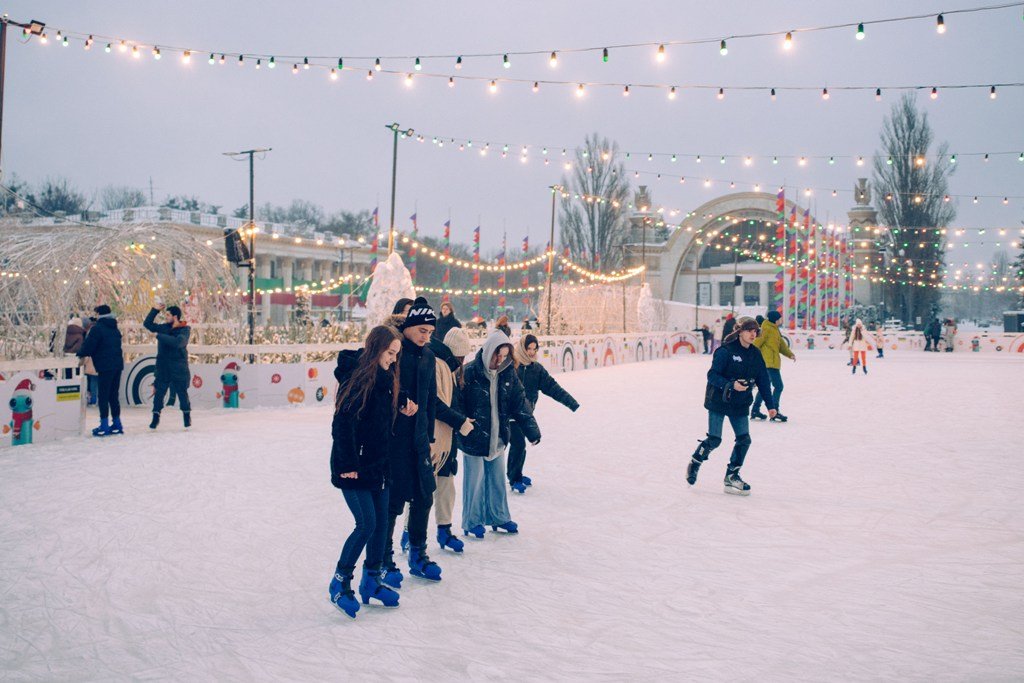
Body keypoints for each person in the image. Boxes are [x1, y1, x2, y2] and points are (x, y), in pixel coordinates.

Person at [328, 325, 404, 618]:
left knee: (381, 524)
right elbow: (342, 425)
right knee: (366, 524)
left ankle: (371, 581)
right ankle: (339, 581)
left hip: (379, 467)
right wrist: (348, 465)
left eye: (396, 354)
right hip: (355, 468)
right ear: (376, 349)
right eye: (389, 353)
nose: (393, 359)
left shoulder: (385, 380)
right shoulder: (358, 379)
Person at [383, 297, 443, 587]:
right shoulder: (394, 351)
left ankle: (418, 553)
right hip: (394, 439)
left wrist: (429, 435)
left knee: (424, 495)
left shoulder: (429, 356)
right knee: (393, 501)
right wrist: (401, 398)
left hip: (419, 438)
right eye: (421, 330)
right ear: (407, 327)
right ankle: (383, 559)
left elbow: (430, 398)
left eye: (430, 332)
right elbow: (383, 386)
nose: (425, 336)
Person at [459, 330, 540, 538]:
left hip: (498, 436)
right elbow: (456, 403)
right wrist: (463, 425)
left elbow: (519, 402)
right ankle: (472, 521)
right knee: (474, 482)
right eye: (498, 355)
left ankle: (499, 517)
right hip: (474, 438)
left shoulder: (507, 374)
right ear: (488, 352)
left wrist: (532, 431)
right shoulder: (470, 373)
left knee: (496, 479)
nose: (500, 360)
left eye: (504, 356)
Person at [687, 316, 776, 495]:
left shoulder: (755, 354)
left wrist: (771, 405)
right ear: (740, 332)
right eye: (749, 331)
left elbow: (764, 380)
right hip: (719, 401)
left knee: (744, 439)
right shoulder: (725, 351)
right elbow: (712, 375)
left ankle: (732, 475)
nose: (753, 334)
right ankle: (696, 460)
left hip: (740, 402)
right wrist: (730, 384)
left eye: (755, 331)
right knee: (715, 440)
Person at [508, 334, 578, 493]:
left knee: (519, 446)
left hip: (526, 415)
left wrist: (571, 403)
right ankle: (514, 478)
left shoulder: (536, 369)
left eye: (534, 349)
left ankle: (516, 473)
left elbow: (553, 388)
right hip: (510, 414)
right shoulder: (512, 365)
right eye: (529, 348)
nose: (532, 352)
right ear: (522, 348)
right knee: (518, 444)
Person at [430, 327, 475, 553]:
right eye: (462, 356)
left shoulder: (451, 369)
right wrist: (461, 422)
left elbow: (453, 403)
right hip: (432, 440)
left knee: (447, 487)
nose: (463, 360)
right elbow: (437, 405)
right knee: (423, 490)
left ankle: (444, 530)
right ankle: (410, 534)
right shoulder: (438, 366)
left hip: (448, 441)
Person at [77, 304, 124, 436]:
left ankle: (104, 425)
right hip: (117, 365)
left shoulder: (97, 329)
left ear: (99, 315)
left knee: (103, 395)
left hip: (105, 366)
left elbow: (89, 346)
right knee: (113, 396)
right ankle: (117, 423)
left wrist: (80, 353)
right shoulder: (115, 328)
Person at [143, 304, 192, 429]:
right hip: (163, 366)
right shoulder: (164, 327)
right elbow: (147, 324)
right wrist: (155, 310)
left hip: (178, 367)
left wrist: (158, 336)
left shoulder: (184, 330)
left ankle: (186, 415)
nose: (166, 317)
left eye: (168, 315)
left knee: (182, 393)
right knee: (159, 393)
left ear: (175, 317)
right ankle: (155, 416)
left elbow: (177, 343)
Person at [751, 310, 795, 422]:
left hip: (773, 363)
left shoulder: (775, 330)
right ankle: (774, 411)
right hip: (768, 363)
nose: (781, 320)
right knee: (779, 386)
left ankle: (755, 410)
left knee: (764, 387)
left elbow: (782, 345)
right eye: (780, 318)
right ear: (775, 319)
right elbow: (757, 343)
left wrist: (790, 354)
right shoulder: (766, 329)